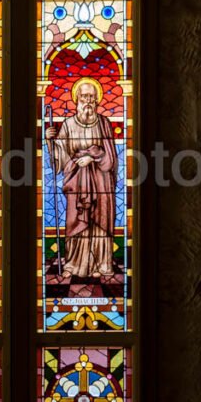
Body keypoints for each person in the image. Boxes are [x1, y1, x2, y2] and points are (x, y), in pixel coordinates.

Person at [45, 79, 118, 279]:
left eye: (92, 97)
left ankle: (102, 265)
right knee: (75, 219)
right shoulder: (68, 124)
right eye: (84, 97)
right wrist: (50, 141)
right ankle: (74, 264)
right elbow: (60, 158)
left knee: (99, 221)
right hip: (77, 182)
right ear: (77, 98)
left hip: (101, 182)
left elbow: (111, 157)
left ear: (97, 100)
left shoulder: (104, 124)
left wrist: (94, 157)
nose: (88, 101)